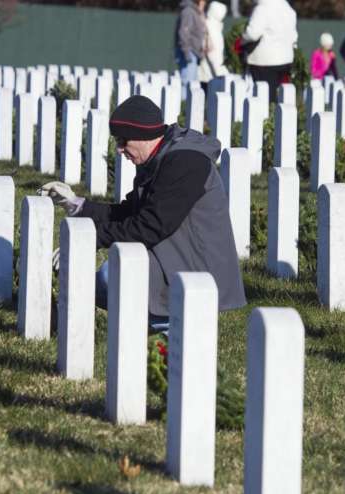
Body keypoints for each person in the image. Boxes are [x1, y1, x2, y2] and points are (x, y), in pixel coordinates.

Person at [40, 96, 247, 329]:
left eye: (123, 141)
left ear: (143, 136)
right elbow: (130, 211)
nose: (119, 150)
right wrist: (76, 204)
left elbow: (151, 226)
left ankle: (169, 327)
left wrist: (92, 239)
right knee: (100, 283)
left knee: (111, 277)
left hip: (194, 268)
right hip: (172, 255)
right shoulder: (161, 156)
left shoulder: (185, 162)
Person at [242, 0, 297, 88]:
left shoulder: (262, 8)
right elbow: (294, 37)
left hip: (264, 61)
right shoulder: (288, 9)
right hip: (286, 59)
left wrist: (242, 39)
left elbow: (252, 34)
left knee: (263, 94)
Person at [175, 0, 207, 89]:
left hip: (194, 52)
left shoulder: (195, 11)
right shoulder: (188, 11)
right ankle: (183, 102)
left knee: (192, 85)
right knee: (187, 83)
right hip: (189, 52)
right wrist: (186, 52)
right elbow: (184, 33)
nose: (205, 3)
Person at [198, 1, 229, 83]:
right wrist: (220, 72)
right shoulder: (211, 27)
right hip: (210, 73)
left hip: (211, 72)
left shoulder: (214, 26)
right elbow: (213, 52)